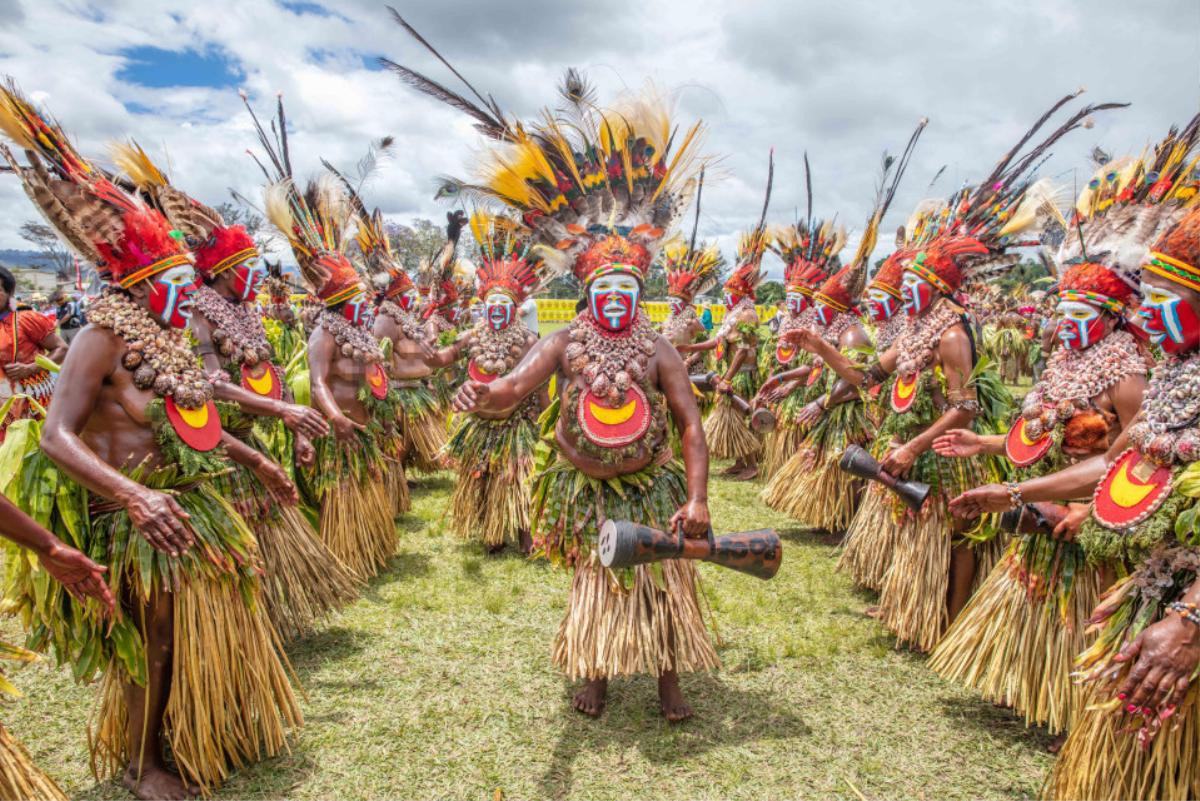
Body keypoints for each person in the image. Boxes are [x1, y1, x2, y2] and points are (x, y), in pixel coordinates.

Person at [387, 38, 718, 719]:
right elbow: (513, 387)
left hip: (651, 481)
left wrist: (699, 498)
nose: (619, 299)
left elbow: (690, 424)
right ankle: (594, 670)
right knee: (592, 576)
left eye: (630, 287)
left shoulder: (660, 351)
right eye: (609, 289)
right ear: (590, 293)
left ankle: (667, 679)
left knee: (662, 582)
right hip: (585, 481)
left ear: (640, 292)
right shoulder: (563, 341)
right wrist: (484, 398)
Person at [0, 84, 302, 799]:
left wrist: (258, 457)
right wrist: (132, 494)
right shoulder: (99, 337)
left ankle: (208, 730)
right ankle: (144, 763)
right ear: (140, 283)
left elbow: (192, 422)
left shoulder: (167, 341)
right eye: (173, 281)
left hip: (189, 509)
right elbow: (53, 436)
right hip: (134, 521)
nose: (185, 293)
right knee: (155, 643)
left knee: (204, 627)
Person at [950, 137, 1200, 800]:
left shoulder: (1136, 376)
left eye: (1161, 299)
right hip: (1151, 590)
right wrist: (1009, 483)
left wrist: (1192, 617)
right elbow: (1121, 464)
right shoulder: (1177, 380)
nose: (1149, 313)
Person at [112, 140, 358, 641]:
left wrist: (293, 424)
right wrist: (276, 410)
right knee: (238, 543)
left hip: (251, 438)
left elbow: (262, 370)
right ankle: (248, 624)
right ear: (224, 272)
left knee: (263, 531)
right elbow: (210, 386)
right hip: (217, 449)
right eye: (248, 268)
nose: (256, 276)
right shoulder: (195, 312)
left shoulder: (244, 313)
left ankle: (264, 617)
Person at [248, 95, 399, 582]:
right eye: (355, 297)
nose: (364, 304)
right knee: (343, 493)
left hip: (363, 425)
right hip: (340, 429)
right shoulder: (323, 332)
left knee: (366, 486)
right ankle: (348, 556)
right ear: (339, 301)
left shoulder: (356, 330)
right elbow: (315, 385)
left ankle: (371, 551)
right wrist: (335, 419)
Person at [425, 211, 548, 554]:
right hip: (479, 424)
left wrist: (543, 422)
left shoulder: (527, 341)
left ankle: (526, 536)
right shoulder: (470, 335)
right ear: (483, 305)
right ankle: (493, 533)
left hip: (516, 425)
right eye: (491, 303)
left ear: (515, 308)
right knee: (483, 480)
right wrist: (428, 350)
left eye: (503, 304)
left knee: (519, 480)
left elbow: (539, 387)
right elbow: (443, 358)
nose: (496, 310)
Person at [367, 208, 461, 480]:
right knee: (397, 444)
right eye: (408, 294)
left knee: (413, 443)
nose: (414, 299)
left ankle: (406, 474)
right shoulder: (386, 320)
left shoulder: (408, 318)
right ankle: (398, 481)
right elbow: (380, 362)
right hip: (398, 396)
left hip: (415, 391)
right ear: (397, 297)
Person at [0, 266, 67, 441]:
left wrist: (31, 368)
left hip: (28, 401)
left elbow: (62, 349)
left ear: (8, 293)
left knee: (29, 448)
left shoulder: (25, 319)